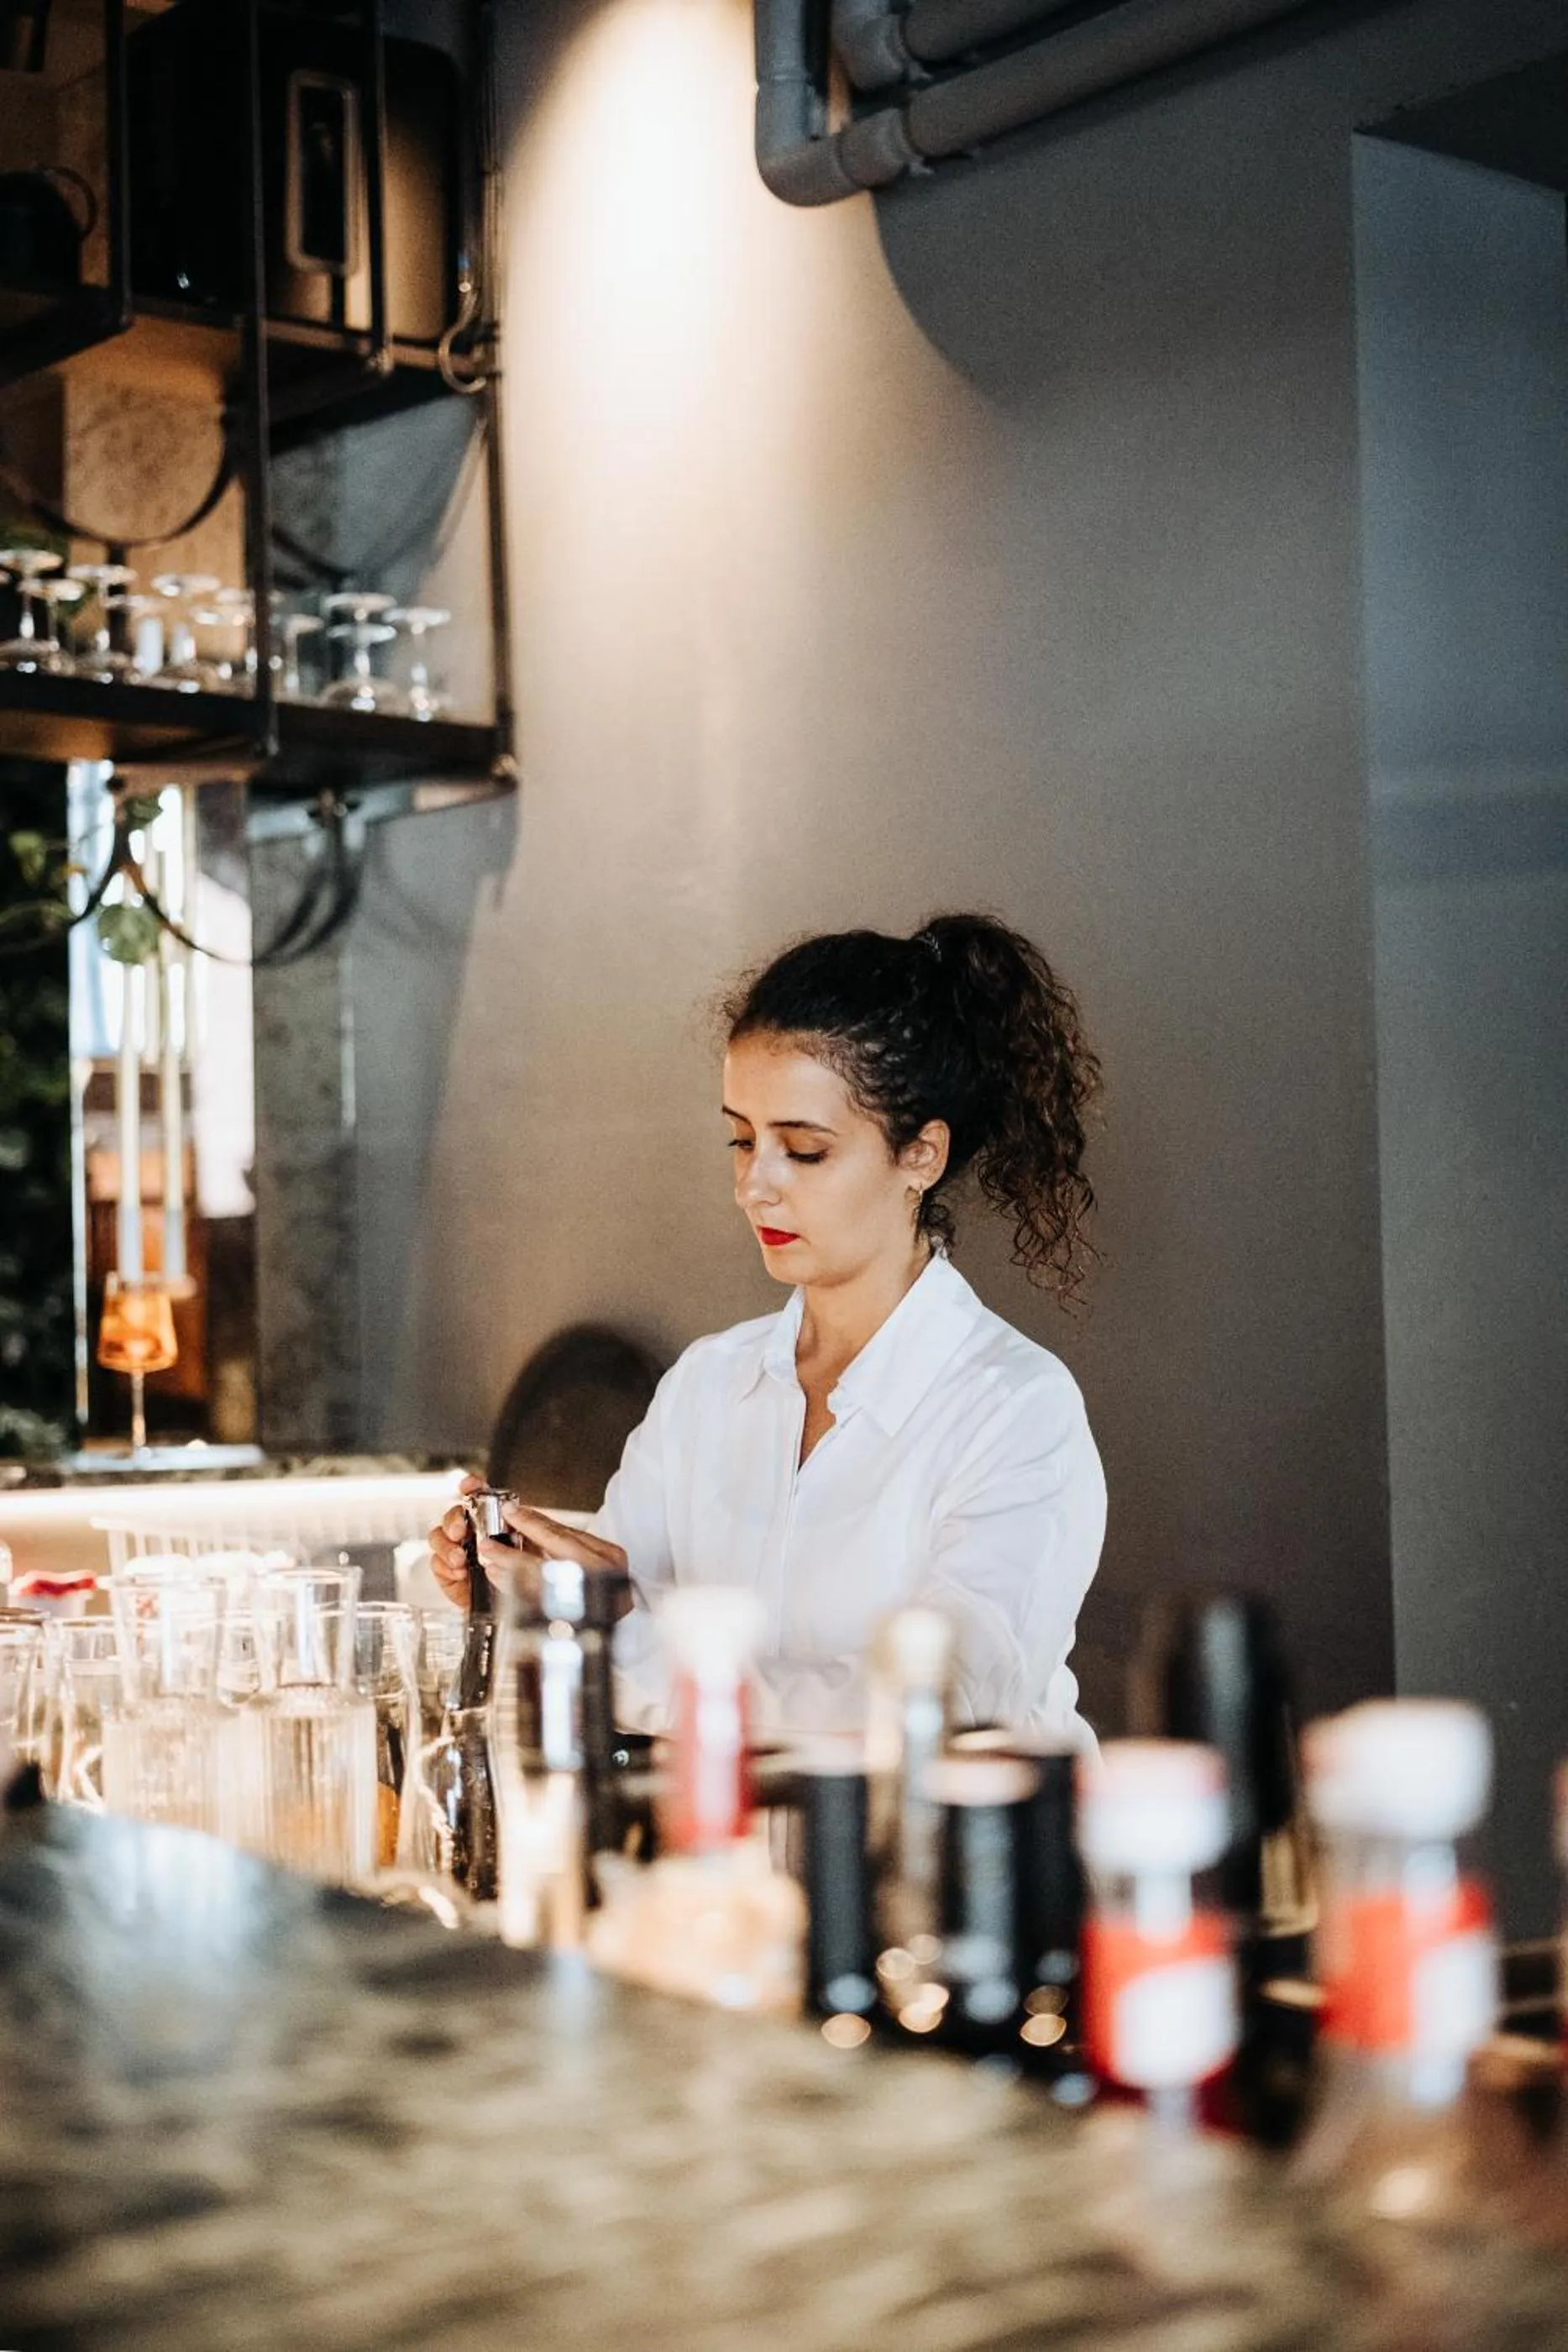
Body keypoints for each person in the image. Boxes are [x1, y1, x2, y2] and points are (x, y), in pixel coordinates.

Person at [429, 912, 1107, 1742]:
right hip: (734, 1867)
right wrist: (526, 1589)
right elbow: (623, 1594)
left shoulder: (1015, 1408)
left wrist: (618, 1656)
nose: (756, 1186)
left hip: (958, 1865)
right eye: (742, 1141)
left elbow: (953, 1694)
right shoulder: (706, 1387)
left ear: (921, 1155)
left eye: (805, 1149)